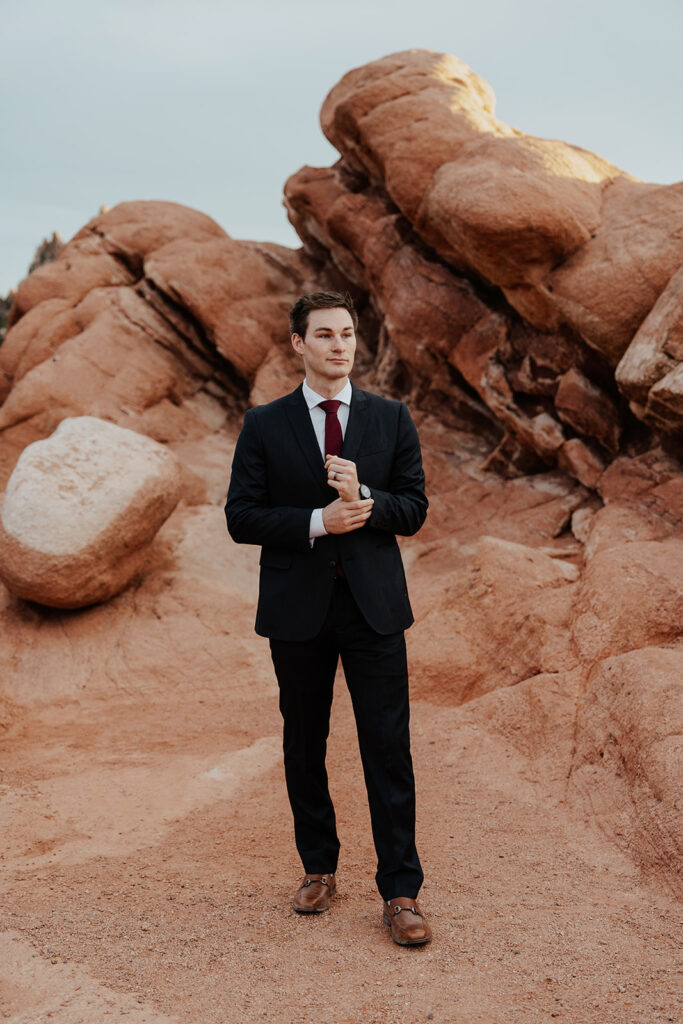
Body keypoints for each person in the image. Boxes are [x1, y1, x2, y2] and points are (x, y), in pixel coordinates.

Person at [224, 291, 431, 946]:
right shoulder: (264, 424)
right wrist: (318, 521)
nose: (339, 344)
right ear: (298, 344)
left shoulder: (391, 418)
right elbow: (240, 516)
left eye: (346, 333)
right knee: (303, 742)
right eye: (324, 334)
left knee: (387, 747)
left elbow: (415, 508)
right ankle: (318, 867)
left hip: (373, 608)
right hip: (297, 608)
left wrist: (365, 498)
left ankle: (400, 890)